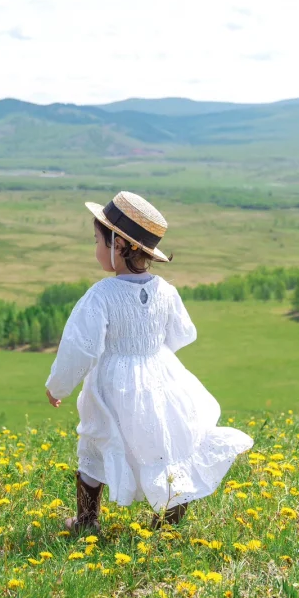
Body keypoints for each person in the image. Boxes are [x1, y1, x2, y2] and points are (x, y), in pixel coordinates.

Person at [45, 191, 253, 534]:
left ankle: (87, 520)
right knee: (165, 446)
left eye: (96, 240)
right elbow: (182, 333)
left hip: (112, 385)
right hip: (162, 378)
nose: (95, 248)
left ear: (118, 245)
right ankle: (167, 520)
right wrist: (151, 355)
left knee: (97, 441)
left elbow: (79, 348)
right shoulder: (165, 289)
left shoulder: (101, 295)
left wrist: (58, 386)